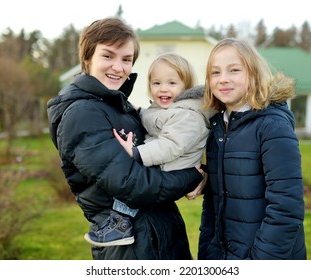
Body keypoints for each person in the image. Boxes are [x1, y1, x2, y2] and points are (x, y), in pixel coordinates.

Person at [46, 17, 204, 260]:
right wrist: (193, 176)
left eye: (126, 59)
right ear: (87, 58)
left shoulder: (117, 106)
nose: (118, 67)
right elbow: (133, 185)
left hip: (157, 237)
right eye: (108, 56)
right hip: (130, 248)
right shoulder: (82, 113)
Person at [198, 38, 306, 260]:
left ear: (254, 74)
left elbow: (286, 207)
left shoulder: (272, 126)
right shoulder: (218, 127)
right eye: (215, 73)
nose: (223, 79)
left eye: (234, 70)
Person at [108, 53, 216, 245]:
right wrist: (135, 111)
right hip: (165, 165)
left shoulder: (188, 115)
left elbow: (170, 145)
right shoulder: (166, 109)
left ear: (187, 88)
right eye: (156, 83)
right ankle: (120, 221)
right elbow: (151, 119)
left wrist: (137, 153)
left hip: (172, 168)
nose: (163, 89)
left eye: (172, 83)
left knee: (134, 186)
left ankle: (120, 225)